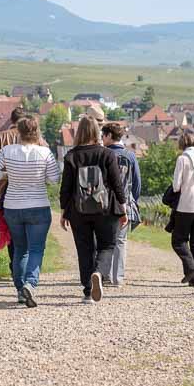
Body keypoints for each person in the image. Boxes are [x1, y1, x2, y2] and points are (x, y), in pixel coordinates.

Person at [0, 115, 60, 308]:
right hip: (38, 205)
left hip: (13, 207)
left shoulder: (7, 151)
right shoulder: (44, 152)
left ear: (18, 131)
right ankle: (30, 284)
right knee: (36, 249)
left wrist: (7, 174)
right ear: (36, 131)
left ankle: (20, 290)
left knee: (20, 249)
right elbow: (54, 178)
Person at [59, 115, 128, 303]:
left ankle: (88, 291)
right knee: (107, 245)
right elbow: (116, 184)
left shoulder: (71, 156)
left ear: (79, 132)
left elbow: (65, 188)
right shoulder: (107, 154)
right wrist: (123, 208)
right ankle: (98, 272)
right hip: (105, 208)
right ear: (97, 132)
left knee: (84, 248)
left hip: (78, 211)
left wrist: (64, 211)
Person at [101, 121, 141, 287]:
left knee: (104, 240)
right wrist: (134, 200)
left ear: (109, 136)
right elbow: (137, 182)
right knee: (120, 241)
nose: (102, 139)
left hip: (103, 203)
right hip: (125, 203)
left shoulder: (102, 154)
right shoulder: (129, 155)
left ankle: (105, 274)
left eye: (103, 135)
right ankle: (118, 277)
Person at [170, 131, 194, 287]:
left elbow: (176, 186)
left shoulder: (182, 159)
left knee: (178, 240)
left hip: (185, 205)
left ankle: (191, 268)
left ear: (182, 143)